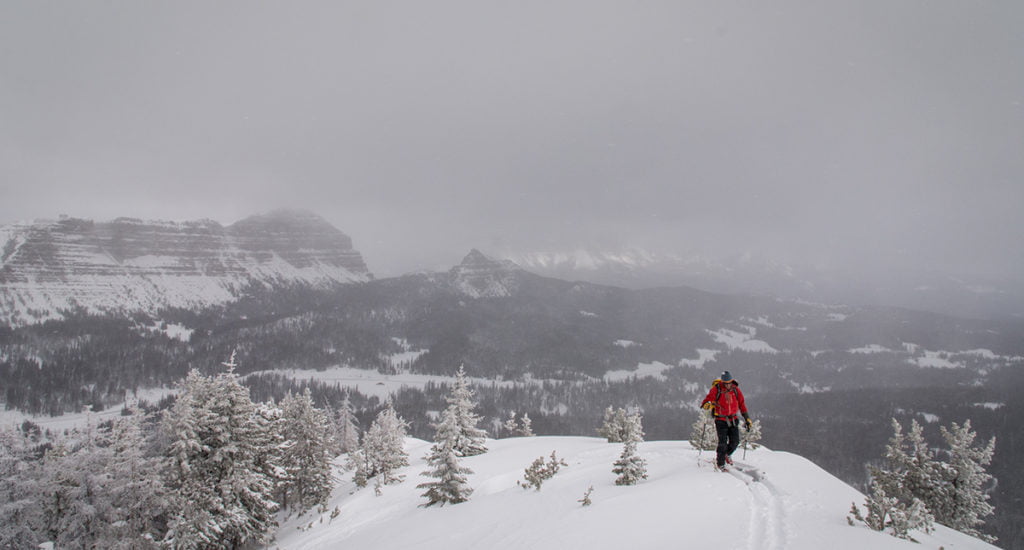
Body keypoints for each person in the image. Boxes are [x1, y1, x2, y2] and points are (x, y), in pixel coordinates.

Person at [700, 371, 752, 470]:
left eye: (729, 383)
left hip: (733, 419)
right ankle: (720, 464)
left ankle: (727, 455)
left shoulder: (736, 390)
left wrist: (747, 418)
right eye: (726, 383)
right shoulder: (717, 389)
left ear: (732, 381)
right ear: (722, 382)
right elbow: (708, 399)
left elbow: (742, 404)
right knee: (722, 443)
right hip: (720, 420)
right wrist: (706, 404)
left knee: (735, 441)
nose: (728, 385)